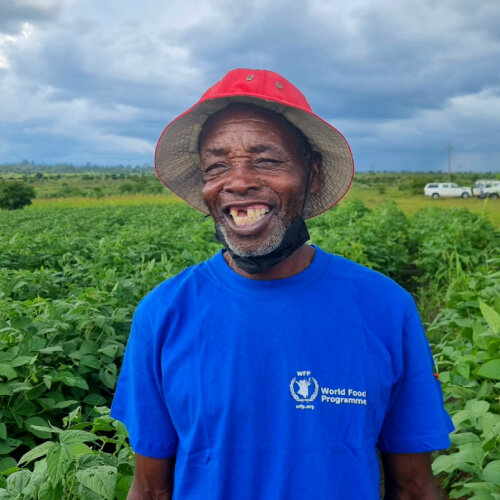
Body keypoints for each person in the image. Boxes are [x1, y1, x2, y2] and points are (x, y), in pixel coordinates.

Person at [111, 68, 453, 499]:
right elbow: (150, 490)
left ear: (311, 174)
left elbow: (415, 488)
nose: (238, 182)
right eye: (217, 166)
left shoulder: (385, 308)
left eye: (267, 160)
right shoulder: (162, 314)